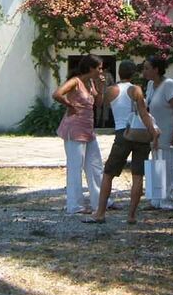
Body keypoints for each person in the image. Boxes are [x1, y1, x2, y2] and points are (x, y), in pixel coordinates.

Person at [85, 60, 160, 224]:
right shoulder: (136, 90)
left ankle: (100, 213)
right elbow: (143, 114)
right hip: (140, 135)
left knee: (108, 174)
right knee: (138, 176)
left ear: (119, 73)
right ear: (134, 74)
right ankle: (131, 215)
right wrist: (154, 133)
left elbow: (101, 103)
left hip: (122, 134)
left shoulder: (112, 90)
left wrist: (100, 84)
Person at [53, 55, 106, 215]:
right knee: (75, 167)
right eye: (99, 68)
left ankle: (100, 201)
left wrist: (101, 87)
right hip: (74, 129)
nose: (101, 71)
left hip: (88, 130)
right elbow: (57, 94)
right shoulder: (75, 81)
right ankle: (75, 205)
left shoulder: (90, 83)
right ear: (90, 68)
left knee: (95, 165)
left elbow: (99, 103)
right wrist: (70, 105)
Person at [142, 55, 173, 210]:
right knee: (156, 164)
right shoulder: (151, 85)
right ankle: (156, 199)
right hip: (156, 133)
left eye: (147, 68)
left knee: (169, 165)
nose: (144, 71)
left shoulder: (169, 84)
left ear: (156, 69)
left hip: (169, 131)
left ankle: (170, 200)